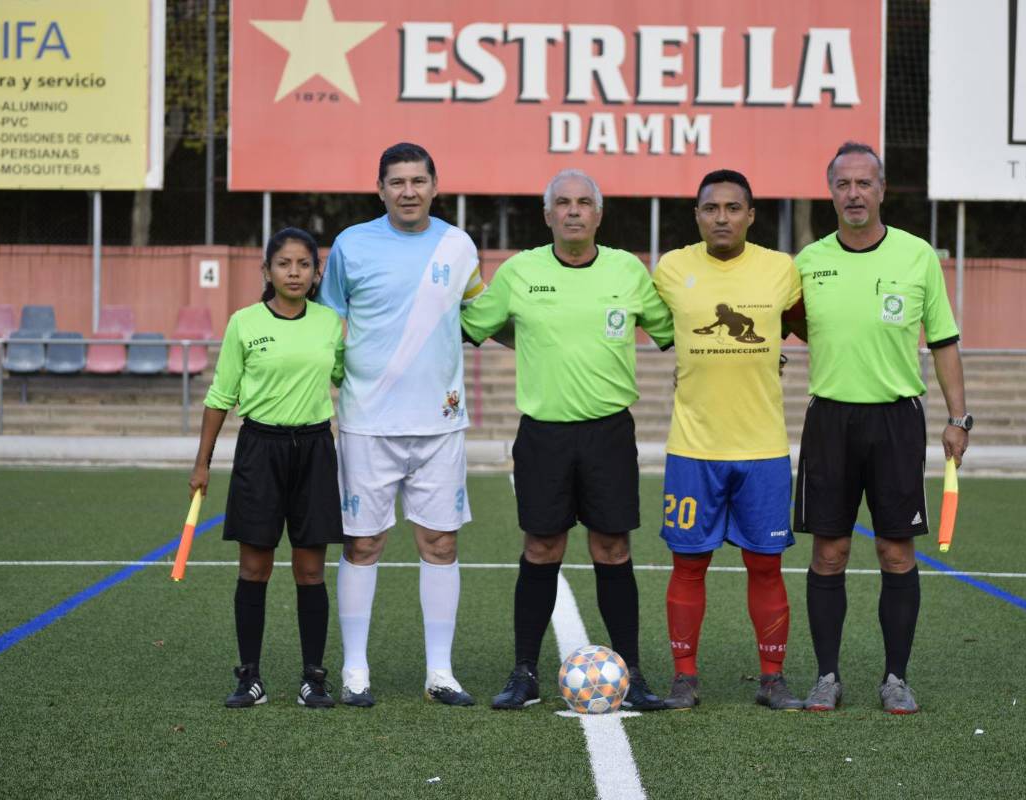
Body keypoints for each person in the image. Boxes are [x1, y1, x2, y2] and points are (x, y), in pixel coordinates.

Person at [460, 168, 672, 712]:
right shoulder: (520, 272)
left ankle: (633, 674)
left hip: (609, 433)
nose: (573, 211)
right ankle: (524, 672)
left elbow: (674, 332)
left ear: (599, 215)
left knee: (613, 548)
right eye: (563, 202)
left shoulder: (628, 270)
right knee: (541, 547)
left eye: (583, 203)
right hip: (543, 435)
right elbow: (473, 326)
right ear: (547, 214)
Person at [792, 141, 970, 714]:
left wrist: (957, 418)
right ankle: (827, 676)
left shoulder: (917, 257)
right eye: (843, 184)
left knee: (896, 553)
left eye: (864, 183)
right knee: (829, 553)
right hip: (829, 419)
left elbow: (943, 341)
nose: (854, 194)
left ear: (882, 190)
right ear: (831, 193)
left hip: (897, 420)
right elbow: (787, 324)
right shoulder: (808, 260)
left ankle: (895, 678)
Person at [318, 142, 483, 708]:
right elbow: (328, 325)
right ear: (380, 188)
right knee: (364, 543)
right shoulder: (349, 245)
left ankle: (441, 673)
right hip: (367, 421)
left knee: (439, 542)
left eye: (418, 181)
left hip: (440, 422)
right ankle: (355, 669)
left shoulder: (459, 246)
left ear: (435, 185)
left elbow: (479, 316)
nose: (408, 191)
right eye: (397, 182)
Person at [652, 169, 805, 711]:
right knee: (688, 565)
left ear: (750, 215)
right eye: (711, 208)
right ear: (696, 215)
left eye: (733, 208)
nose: (722, 217)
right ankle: (684, 677)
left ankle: (772, 678)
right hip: (693, 448)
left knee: (765, 565)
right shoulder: (671, 269)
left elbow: (812, 324)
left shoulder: (781, 270)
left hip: (763, 449)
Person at [189, 227, 345, 709]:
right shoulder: (244, 323)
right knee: (254, 568)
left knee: (311, 570)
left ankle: (314, 678)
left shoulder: (331, 323)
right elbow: (220, 397)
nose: (294, 272)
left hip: (315, 449)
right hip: (260, 449)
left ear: (317, 273)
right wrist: (202, 463)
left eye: (303, 264)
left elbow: (346, 376)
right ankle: (249, 678)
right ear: (267, 271)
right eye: (284, 264)